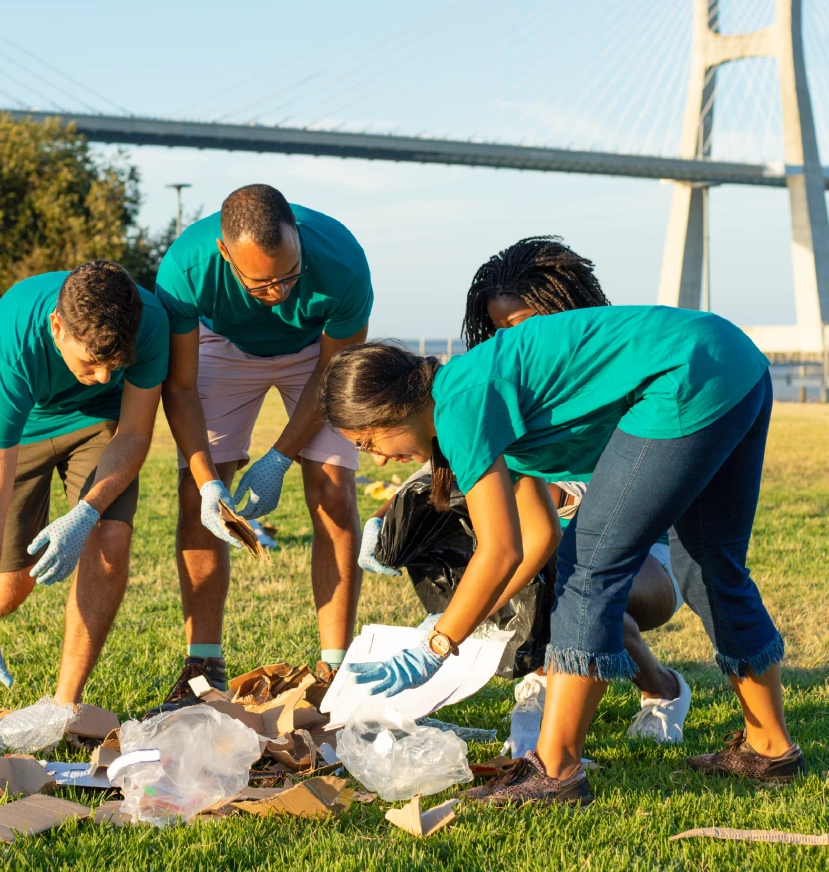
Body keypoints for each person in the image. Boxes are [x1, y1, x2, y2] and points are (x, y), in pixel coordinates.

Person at [318, 306, 802, 807]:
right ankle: (770, 748)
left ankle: (555, 771)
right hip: (731, 360)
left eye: (368, 441)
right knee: (708, 566)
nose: (375, 458)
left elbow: (499, 549)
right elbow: (536, 538)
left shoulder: (458, 403)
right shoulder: (470, 393)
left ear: (392, 408)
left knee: (590, 569)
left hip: (686, 375)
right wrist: (455, 620)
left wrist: (439, 642)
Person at [362, 236, 687, 749]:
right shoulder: (499, 396)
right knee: (531, 565)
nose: (513, 342)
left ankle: (661, 689)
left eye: (524, 326)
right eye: (497, 331)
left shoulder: (617, 380)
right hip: (552, 554)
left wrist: (442, 638)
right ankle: (541, 672)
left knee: (571, 576)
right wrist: (386, 517)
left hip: (646, 557)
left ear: (571, 310)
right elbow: (458, 476)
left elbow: (547, 521)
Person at [154, 184, 370, 706]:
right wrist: (208, 482)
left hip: (315, 355)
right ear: (226, 255)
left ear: (299, 240)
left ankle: (333, 670)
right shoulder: (185, 269)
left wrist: (279, 458)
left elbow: (331, 374)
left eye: (290, 275)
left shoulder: (343, 261)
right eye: (262, 282)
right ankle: (202, 666)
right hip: (222, 348)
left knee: (333, 490)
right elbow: (179, 388)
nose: (280, 291)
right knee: (196, 495)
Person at [0, 260, 169, 709]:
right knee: (9, 589)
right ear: (57, 326)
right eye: (92, 361)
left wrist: (86, 513)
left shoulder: (150, 321)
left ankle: (65, 705)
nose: (106, 375)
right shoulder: (14, 342)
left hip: (99, 419)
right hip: (21, 425)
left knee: (110, 537)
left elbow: (136, 432)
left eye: (115, 363)